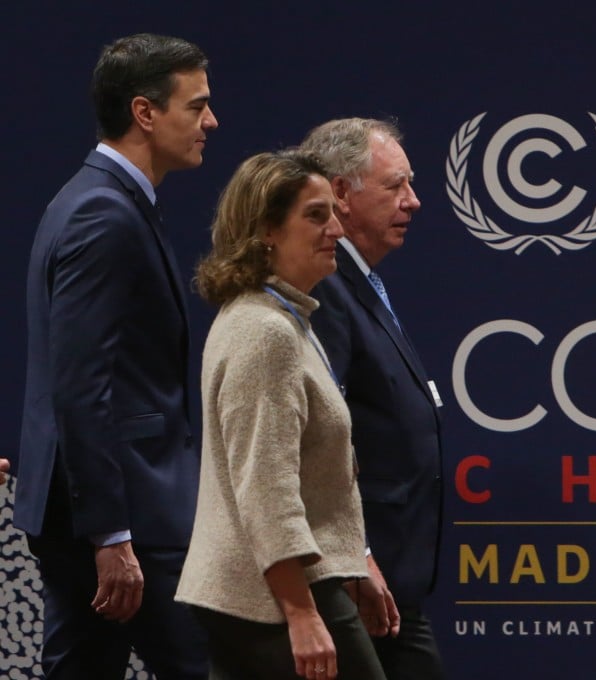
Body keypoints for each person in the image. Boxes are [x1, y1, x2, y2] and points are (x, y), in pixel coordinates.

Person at [15, 33, 217, 679]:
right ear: (145, 112)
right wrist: (112, 535)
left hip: (97, 509)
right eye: (198, 106)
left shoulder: (97, 200)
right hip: (124, 514)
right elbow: (80, 385)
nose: (212, 121)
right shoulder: (103, 212)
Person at [175, 150, 386, 680]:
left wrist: (352, 563)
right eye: (315, 216)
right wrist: (301, 614)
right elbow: (265, 486)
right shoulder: (264, 332)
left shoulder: (282, 318)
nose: (335, 229)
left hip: (273, 589)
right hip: (270, 598)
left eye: (334, 214)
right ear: (266, 229)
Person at [300, 118, 445, 679]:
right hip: (357, 575)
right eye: (396, 186)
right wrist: (355, 551)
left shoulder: (363, 284)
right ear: (341, 192)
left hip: (387, 578)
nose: (414, 200)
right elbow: (321, 434)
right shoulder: (328, 291)